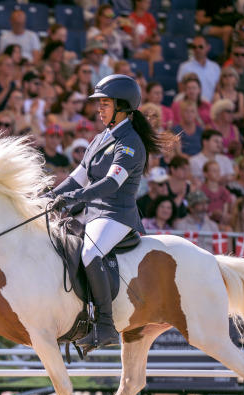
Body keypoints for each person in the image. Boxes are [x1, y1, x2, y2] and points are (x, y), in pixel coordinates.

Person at [48, 74, 176, 352]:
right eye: (99, 104)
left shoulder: (130, 143)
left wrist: (72, 199)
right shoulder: (100, 138)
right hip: (92, 211)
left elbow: (109, 184)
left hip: (115, 215)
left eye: (104, 104)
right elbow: (76, 177)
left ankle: (104, 324)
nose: (99, 109)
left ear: (122, 106)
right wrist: (49, 197)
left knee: (89, 253)